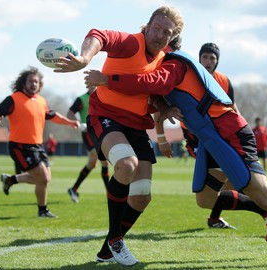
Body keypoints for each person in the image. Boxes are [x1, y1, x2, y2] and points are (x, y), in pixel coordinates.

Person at [84, 50, 267, 267]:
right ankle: (264, 211)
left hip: (230, 134)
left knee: (259, 190)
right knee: (205, 199)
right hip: (210, 140)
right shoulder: (166, 67)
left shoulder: (174, 64)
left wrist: (107, 79)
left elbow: (151, 82)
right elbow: (151, 96)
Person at [54, 6, 184, 266]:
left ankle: (106, 251)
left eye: (166, 33)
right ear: (147, 26)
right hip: (105, 114)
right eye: (156, 28)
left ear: (172, 38)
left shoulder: (165, 60)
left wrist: (164, 108)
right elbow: (98, 35)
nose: (159, 35)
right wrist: (84, 58)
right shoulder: (129, 43)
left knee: (142, 195)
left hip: (137, 124)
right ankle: (116, 240)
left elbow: (151, 92)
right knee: (126, 164)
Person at [156, 42, 239, 230]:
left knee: (228, 179)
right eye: (205, 57)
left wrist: (242, 130)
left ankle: (214, 218)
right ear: (199, 59)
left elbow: (232, 108)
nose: (208, 61)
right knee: (223, 174)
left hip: (218, 133)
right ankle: (221, 215)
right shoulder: (188, 77)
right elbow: (159, 108)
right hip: (194, 136)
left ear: (217, 61)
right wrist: (162, 140)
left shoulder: (224, 81)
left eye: (212, 58)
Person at [0, 66, 80, 218]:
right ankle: (42, 211)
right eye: (30, 81)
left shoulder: (41, 101)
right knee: (42, 178)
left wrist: (69, 122)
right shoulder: (14, 98)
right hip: (19, 146)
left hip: (38, 146)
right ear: (23, 83)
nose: (34, 84)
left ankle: (11, 180)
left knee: (45, 179)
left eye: (36, 81)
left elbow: (53, 115)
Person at [66, 84, 110, 203]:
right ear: (87, 84)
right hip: (88, 133)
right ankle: (109, 193)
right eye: (90, 83)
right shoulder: (81, 99)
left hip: (100, 132)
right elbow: (69, 114)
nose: (92, 86)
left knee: (92, 164)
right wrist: (79, 124)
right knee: (104, 161)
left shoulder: (102, 97)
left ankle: (73, 189)